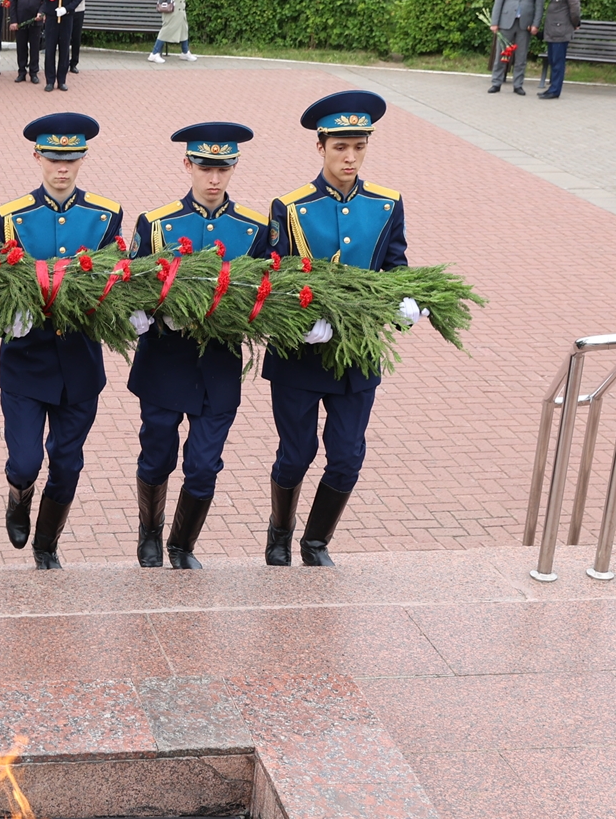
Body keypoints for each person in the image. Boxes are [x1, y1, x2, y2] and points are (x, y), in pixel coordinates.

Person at [263, 91, 421, 567]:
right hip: (300, 353)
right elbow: (274, 277)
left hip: (357, 352)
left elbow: (396, 264)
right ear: (321, 147)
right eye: (340, 148)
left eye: (359, 147)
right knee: (297, 453)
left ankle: (316, 543)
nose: (350, 157)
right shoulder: (290, 207)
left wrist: (404, 298)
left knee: (348, 455)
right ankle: (279, 532)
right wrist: (300, 318)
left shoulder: (387, 204)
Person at [129, 122, 266, 568]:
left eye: (223, 168)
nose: (213, 178)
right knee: (156, 456)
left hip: (219, 365)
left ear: (234, 168)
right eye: (205, 167)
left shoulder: (255, 229)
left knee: (205, 465)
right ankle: (149, 534)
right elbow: (131, 286)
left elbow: (270, 291)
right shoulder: (156, 224)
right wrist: (146, 314)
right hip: (166, 359)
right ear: (187, 164)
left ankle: (182, 545)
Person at [0, 115, 123, 569]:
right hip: (27, 360)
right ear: (37, 158)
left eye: (70, 159)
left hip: (80, 362)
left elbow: (115, 278)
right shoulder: (11, 217)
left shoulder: (104, 215)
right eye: (52, 159)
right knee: (26, 461)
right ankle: (18, 495)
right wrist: (10, 314)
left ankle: (47, 544)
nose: (61, 169)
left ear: (82, 159)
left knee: (67, 464)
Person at [488, 0, 543, 95]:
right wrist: (495, 22)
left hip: (524, 24)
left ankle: (518, 85)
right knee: (502, 54)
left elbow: (539, 5)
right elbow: (499, 1)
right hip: (506, 22)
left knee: (521, 56)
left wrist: (536, 24)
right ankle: (496, 82)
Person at [537, 0, 581, 99]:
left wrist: (575, 24)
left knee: (558, 62)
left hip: (560, 31)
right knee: (553, 60)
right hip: (552, 31)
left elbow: (575, 11)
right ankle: (551, 88)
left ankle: (555, 90)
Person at [41, 0, 82, 92]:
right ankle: (50, 81)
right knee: (50, 49)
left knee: (64, 50)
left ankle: (62, 80)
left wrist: (66, 9)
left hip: (66, 18)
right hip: (52, 18)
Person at [7, 0, 48, 84]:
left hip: (36, 20)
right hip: (21, 20)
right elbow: (12, 1)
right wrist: (13, 20)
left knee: (35, 47)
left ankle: (34, 72)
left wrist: (41, 12)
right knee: (21, 47)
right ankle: (21, 72)